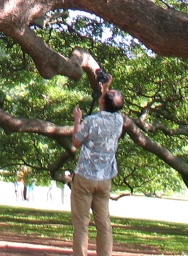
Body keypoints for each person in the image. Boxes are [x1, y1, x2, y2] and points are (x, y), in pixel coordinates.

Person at [68, 70, 125, 256]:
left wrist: (77, 121)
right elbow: (108, 107)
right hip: (105, 179)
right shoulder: (119, 120)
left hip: (85, 177)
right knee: (103, 223)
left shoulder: (91, 121)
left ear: (103, 103)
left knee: (81, 223)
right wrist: (106, 88)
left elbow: (76, 142)